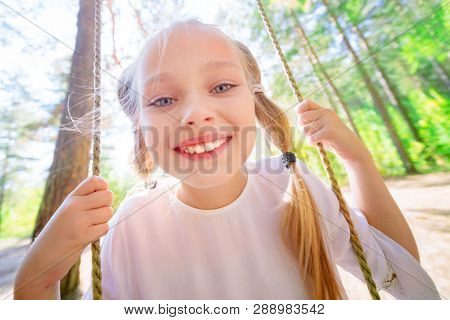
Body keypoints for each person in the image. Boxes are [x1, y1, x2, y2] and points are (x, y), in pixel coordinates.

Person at [14, 18, 440, 300]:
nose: (196, 113)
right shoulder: (133, 225)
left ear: (255, 104)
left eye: (221, 87)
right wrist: (37, 276)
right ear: (141, 132)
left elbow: (402, 274)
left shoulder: (297, 189)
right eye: (163, 98)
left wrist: (358, 160)